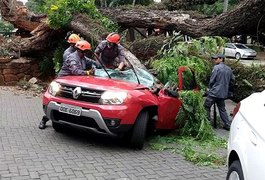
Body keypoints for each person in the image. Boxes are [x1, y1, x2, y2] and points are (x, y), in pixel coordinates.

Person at [39, 40, 97, 129]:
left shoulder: (82, 58)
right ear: (83, 51)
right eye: (86, 51)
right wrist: (88, 72)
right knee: (60, 104)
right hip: (63, 84)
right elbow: (75, 71)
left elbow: (91, 62)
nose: (86, 53)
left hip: (74, 84)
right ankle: (45, 119)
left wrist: (101, 65)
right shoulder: (73, 58)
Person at [204, 53, 235, 131]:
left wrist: (209, 89)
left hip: (214, 92)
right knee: (222, 109)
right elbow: (232, 81)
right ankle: (227, 125)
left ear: (221, 59)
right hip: (223, 93)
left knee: (206, 106)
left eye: (216, 58)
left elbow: (212, 80)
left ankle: (207, 124)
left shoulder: (216, 68)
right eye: (214, 59)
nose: (215, 60)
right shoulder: (229, 69)